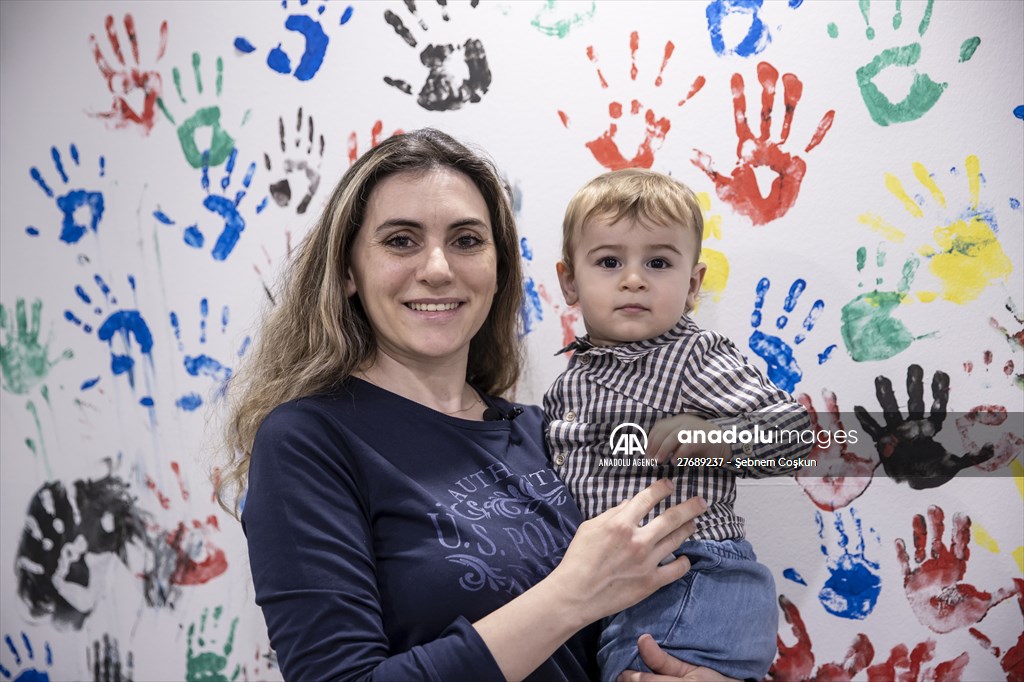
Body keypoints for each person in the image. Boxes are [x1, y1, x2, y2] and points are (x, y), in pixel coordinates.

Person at [217, 128, 729, 681]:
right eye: (400, 240)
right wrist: (571, 596)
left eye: (466, 240)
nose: (438, 268)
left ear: (498, 269)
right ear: (347, 272)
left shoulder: (549, 432)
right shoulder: (309, 440)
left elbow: (761, 448)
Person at [545, 169, 813, 681]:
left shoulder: (695, 356)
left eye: (659, 262)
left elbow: (795, 435)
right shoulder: (568, 383)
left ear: (692, 284)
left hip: (693, 578)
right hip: (616, 588)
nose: (633, 278)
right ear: (570, 281)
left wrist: (716, 437)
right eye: (608, 261)